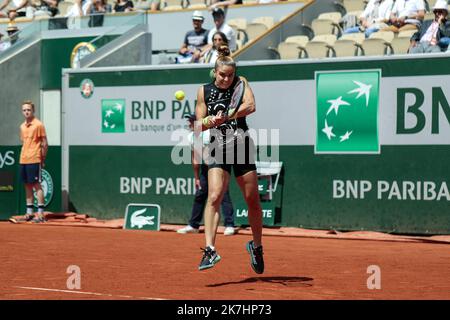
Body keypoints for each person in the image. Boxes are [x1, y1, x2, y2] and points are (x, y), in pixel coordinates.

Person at [195, 45, 264, 273]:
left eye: (230, 75)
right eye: (222, 74)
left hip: (241, 144)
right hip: (217, 146)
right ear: (215, 72)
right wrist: (209, 122)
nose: (226, 78)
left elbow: (251, 106)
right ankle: (210, 249)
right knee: (214, 195)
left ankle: (256, 246)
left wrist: (228, 115)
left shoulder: (240, 83)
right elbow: (198, 123)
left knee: (252, 199)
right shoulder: (203, 91)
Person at [177, 114, 236, 235]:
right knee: (200, 194)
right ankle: (194, 225)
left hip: (219, 164)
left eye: (192, 122)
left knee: (223, 194)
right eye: (189, 122)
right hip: (205, 167)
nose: (189, 124)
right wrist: (197, 177)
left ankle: (230, 225)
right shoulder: (191, 137)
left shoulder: (210, 133)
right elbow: (195, 158)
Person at [10, 100, 48, 223]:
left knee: (37, 185)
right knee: (27, 185)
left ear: (33, 111)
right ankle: (30, 213)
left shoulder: (39, 125)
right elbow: (24, 143)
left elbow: (45, 143)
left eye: (29, 110)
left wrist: (43, 158)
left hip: (35, 158)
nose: (26, 112)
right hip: (23, 159)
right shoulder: (21, 126)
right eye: (24, 110)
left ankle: (41, 214)